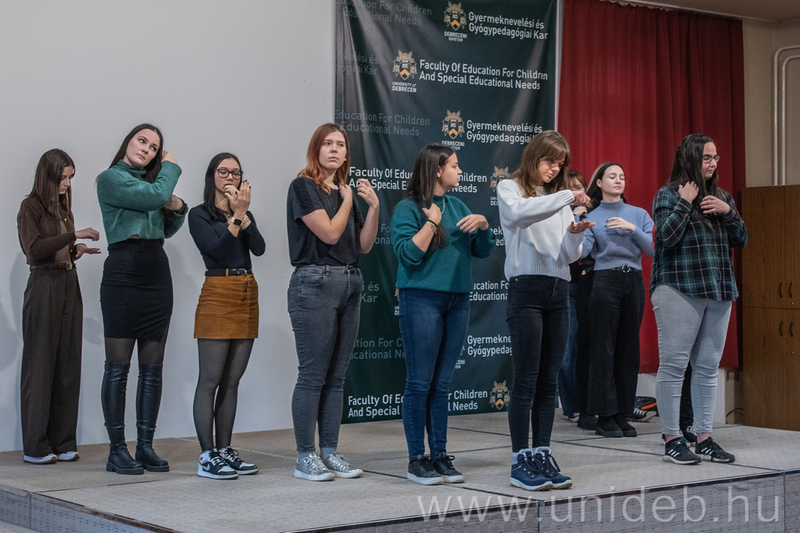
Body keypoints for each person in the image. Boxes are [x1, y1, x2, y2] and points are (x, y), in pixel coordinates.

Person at [391, 145, 495, 485]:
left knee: (442, 383)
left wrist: (484, 225)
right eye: (454, 165)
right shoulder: (408, 208)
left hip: (457, 301)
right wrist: (431, 222)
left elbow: (482, 250)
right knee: (419, 382)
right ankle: (416, 459)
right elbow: (408, 255)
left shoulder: (459, 206)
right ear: (437, 170)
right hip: (420, 298)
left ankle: (439, 454)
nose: (460, 171)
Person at [497, 131, 592, 491]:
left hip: (558, 290)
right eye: (550, 161)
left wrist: (575, 232)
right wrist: (568, 196)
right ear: (534, 157)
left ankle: (542, 453)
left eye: (560, 164)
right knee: (527, 378)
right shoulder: (511, 189)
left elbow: (569, 255)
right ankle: (519, 459)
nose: (554, 168)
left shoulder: (559, 200)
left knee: (549, 381)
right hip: (526, 289)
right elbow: (519, 216)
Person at [286, 123, 379, 481]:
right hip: (315, 282)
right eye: (327, 143)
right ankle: (305, 456)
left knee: (336, 377)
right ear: (316, 149)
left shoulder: (344, 192)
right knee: (312, 375)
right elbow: (328, 232)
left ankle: (329, 450)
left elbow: (364, 245)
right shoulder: (303, 186)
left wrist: (373, 207)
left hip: (350, 280)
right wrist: (349, 200)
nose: (335, 150)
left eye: (340, 145)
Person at [97, 124, 187, 475]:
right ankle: (117, 451)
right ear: (128, 142)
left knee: (152, 368)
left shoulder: (149, 185)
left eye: (153, 148)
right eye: (142, 141)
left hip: (155, 272)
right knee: (117, 368)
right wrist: (171, 167)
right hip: (123, 272)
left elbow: (167, 226)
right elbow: (155, 198)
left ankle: (145, 446)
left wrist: (178, 206)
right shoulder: (111, 179)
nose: (146, 149)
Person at [652, 134, 747, 465]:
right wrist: (685, 201)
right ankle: (672, 438)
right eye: (707, 158)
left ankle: (704, 437)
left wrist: (728, 212)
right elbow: (666, 237)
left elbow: (742, 239)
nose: (713, 163)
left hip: (718, 290)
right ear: (690, 158)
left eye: (716, 157)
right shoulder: (668, 194)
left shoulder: (722, 197)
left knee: (707, 367)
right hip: (678, 288)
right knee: (674, 365)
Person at [17, 149, 100, 464]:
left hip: (68, 282)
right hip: (44, 285)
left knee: (68, 363)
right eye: (62, 177)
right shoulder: (30, 207)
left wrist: (76, 249)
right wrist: (72, 235)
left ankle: (63, 441)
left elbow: (59, 247)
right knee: (40, 363)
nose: (66, 183)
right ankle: (35, 446)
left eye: (70, 177)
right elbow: (34, 249)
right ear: (47, 176)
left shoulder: (64, 209)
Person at [189, 153, 266, 480]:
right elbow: (217, 251)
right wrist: (236, 217)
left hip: (246, 291)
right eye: (224, 171)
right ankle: (207, 455)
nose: (230, 177)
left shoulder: (243, 214)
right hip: (218, 292)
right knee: (210, 379)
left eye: (236, 172)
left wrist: (242, 216)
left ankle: (225, 450)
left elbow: (259, 248)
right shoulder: (199, 214)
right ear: (212, 176)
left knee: (232, 381)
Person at [582, 162, 654, 438]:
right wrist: (577, 225)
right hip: (605, 280)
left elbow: (653, 249)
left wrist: (632, 229)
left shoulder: (638, 214)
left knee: (628, 349)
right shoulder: (593, 216)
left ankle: (623, 413)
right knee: (604, 348)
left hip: (633, 280)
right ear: (599, 183)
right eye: (612, 176)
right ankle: (604, 416)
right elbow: (583, 252)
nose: (618, 180)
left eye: (622, 176)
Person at [558, 170, 587, 424]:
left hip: (590, 286)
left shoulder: (593, 213)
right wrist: (574, 217)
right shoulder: (557, 214)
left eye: (580, 187)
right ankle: (571, 406)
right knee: (566, 351)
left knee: (584, 348)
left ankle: (588, 404)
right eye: (571, 188)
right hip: (566, 286)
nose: (577, 192)